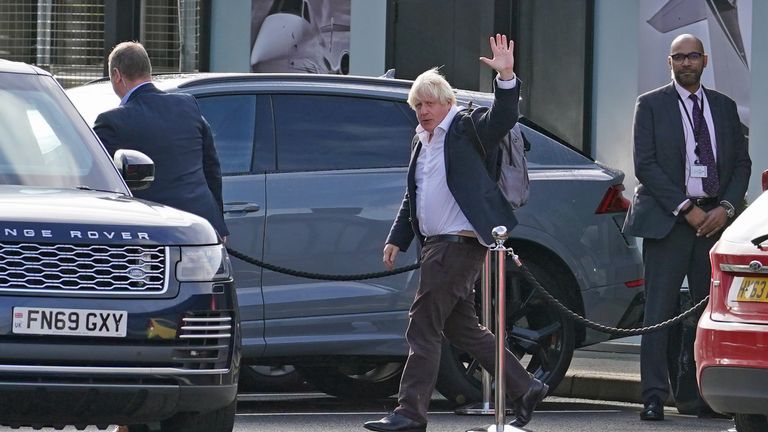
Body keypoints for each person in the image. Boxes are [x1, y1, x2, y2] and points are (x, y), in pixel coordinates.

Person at [363, 34, 547, 432]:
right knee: (461, 329)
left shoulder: (465, 128)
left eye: (429, 103)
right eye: (417, 105)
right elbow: (414, 196)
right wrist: (398, 237)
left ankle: (410, 413)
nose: (423, 111)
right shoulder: (421, 140)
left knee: (422, 325)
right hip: (436, 246)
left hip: (458, 245)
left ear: (446, 102)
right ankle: (525, 385)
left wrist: (506, 76)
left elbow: (502, 117)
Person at [623, 34, 751, 421]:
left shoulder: (725, 108)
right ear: (670, 63)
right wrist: (686, 209)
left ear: (705, 60)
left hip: (714, 222)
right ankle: (653, 397)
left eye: (692, 56)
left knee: (707, 312)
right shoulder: (650, 105)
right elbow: (645, 165)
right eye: (678, 57)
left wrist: (725, 208)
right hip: (670, 221)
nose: (686, 63)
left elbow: (741, 165)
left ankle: (700, 399)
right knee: (658, 313)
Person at [93, 41, 229, 240]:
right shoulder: (187, 105)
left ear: (117, 75)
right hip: (204, 226)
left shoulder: (112, 121)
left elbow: (97, 175)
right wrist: (219, 223)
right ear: (148, 70)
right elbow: (211, 166)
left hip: (154, 231)